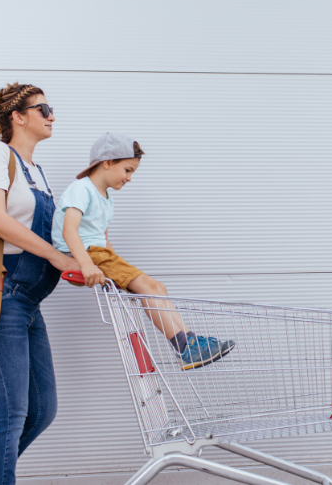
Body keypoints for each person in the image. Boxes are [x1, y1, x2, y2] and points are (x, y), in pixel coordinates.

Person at [0, 83, 79, 485]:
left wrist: (82, 260)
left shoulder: (37, 174)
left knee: (41, 411)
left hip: (27, 301)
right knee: (8, 416)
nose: (52, 116)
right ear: (18, 116)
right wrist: (54, 255)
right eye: (43, 108)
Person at [51, 132, 235, 370]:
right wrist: (86, 264)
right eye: (127, 170)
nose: (129, 178)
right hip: (84, 253)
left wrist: (119, 270)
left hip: (100, 253)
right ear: (107, 162)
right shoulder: (81, 189)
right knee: (148, 287)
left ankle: (189, 339)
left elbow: (104, 239)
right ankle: (184, 348)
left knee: (157, 287)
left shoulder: (105, 198)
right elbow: (69, 230)